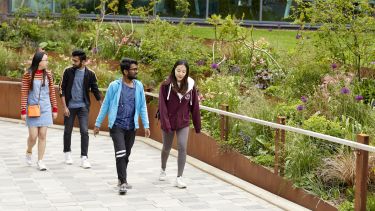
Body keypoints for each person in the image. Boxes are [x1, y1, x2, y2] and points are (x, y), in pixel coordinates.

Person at [94, 58, 150, 194]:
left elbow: (142, 106)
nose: (136, 71)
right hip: (117, 125)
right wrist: (97, 123)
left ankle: (121, 178)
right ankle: (123, 182)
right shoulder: (114, 86)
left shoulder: (139, 86)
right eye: (133, 69)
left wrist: (146, 125)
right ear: (125, 71)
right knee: (121, 152)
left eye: (137, 69)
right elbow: (106, 104)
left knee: (126, 155)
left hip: (131, 126)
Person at [158, 60, 201, 188]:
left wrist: (197, 125)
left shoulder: (191, 86)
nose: (180, 73)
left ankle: (179, 177)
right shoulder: (166, 85)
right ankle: (163, 169)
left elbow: (195, 107)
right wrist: (165, 123)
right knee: (167, 147)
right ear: (174, 70)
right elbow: (162, 106)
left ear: (187, 72)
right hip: (168, 122)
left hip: (183, 122)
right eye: (178, 70)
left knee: (182, 146)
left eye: (183, 71)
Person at [59, 50, 102, 168]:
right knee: (68, 130)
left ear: (83, 62)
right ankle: (67, 153)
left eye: (75, 60)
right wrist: (65, 107)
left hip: (83, 106)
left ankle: (84, 157)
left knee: (84, 131)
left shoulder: (90, 74)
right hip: (70, 106)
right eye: (72, 60)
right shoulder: (68, 72)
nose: (73, 62)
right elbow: (61, 89)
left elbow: (95, 90)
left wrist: (102, 106)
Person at [20, 51, 58, 171]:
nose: (47, 62)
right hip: (32, 108)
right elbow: (24, 93)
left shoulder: (48, 75)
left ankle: (40, 160)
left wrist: (55, 108)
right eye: (45, 60)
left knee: (42, 135)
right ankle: (29, 150)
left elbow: (52, 92)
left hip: (45, 108)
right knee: (33, 136)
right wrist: (23, 111)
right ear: (39, 61)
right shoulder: (28, 74)